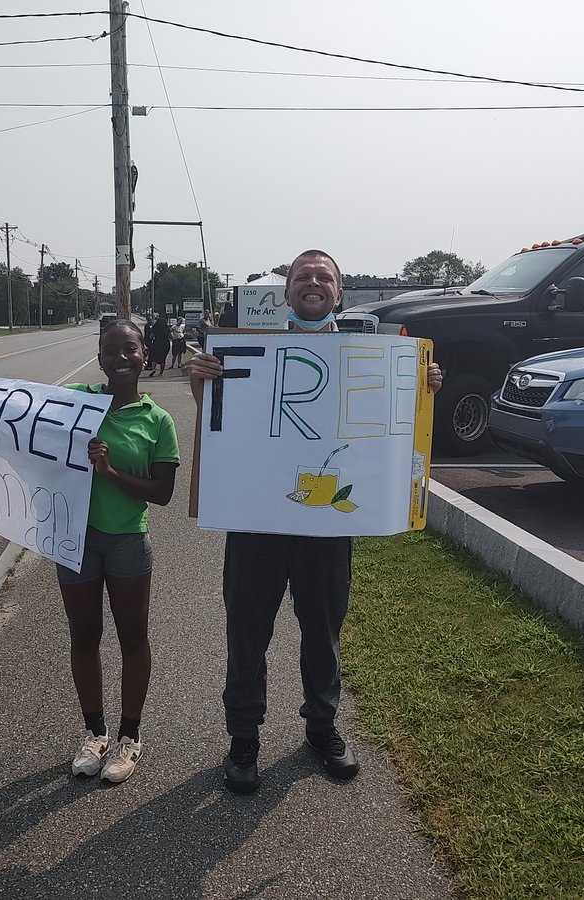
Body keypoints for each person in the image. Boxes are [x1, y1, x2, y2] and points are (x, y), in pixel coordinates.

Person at [188, 249, 443, 794]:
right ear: (285, 294)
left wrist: (422, 388)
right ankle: (243, 740)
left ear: (339, 292)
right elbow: (220, 421)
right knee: (247, 634)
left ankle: (322, 728)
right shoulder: (251, 356)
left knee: (323, 634)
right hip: (256, 524)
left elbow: (395, 427)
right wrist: (202, 380)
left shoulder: (370, 357)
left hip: (325, 529)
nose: (312, 283)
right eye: (302, 276)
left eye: (323, 276)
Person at [0, 320, 179, 784]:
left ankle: (130, 737)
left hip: (125, 541)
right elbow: (4, 416)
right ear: (99, 358)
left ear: (145, 355)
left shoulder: (157, 421)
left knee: (133, 637)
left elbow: (162, 493)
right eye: (110, 350)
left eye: (130, 349)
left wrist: (110, 471)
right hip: (71, 538)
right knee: (84, 636)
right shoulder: (76, 402)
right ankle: (95, 732)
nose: (120, 357)